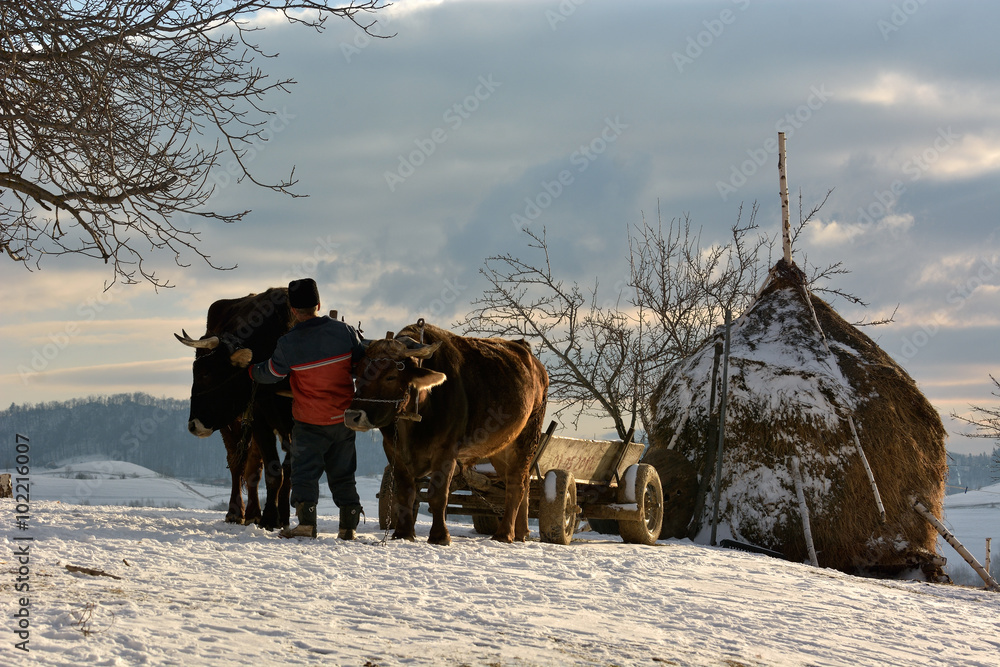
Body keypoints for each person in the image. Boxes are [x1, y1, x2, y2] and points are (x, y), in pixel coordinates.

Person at [249, 278, 365, 539]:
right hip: (343, 420)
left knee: (304, 474)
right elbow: (360, 361)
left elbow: (271, 373)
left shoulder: (288, 343)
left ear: (293, 311)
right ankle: (348, 527)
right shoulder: (344, 331)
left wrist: (250, 370)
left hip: (309, 422)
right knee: (344, 474)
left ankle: (306, 525)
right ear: (318, 304)